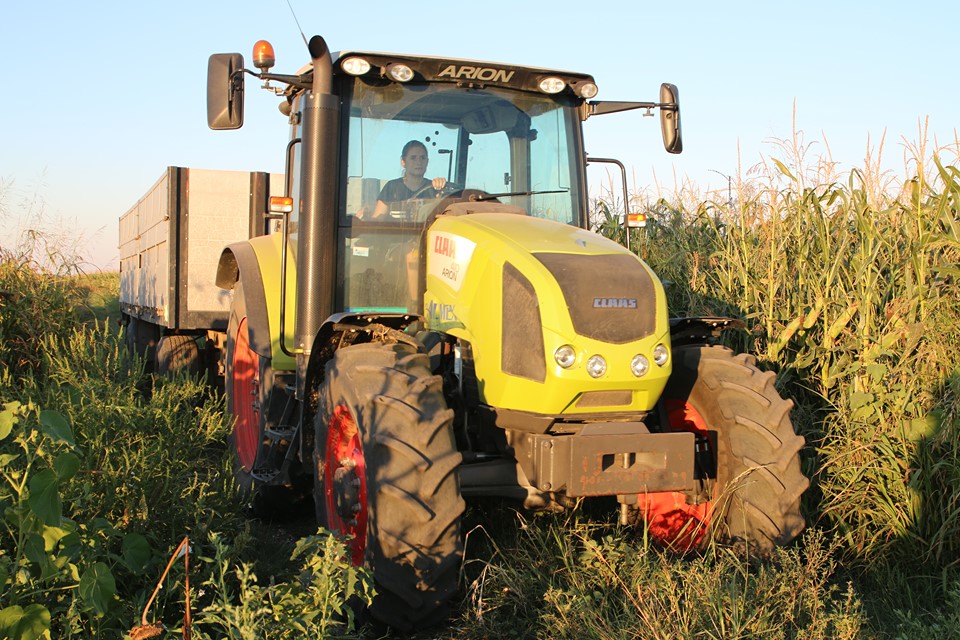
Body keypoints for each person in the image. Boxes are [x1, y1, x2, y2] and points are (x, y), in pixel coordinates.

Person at [363, 140, 447, 219]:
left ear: (427, 162)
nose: (419, 162)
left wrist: (441, 188)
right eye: (413, 158)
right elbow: (378, 218)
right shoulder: (391, 187)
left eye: (422, 158)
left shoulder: (434, 189)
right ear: (403, 162)